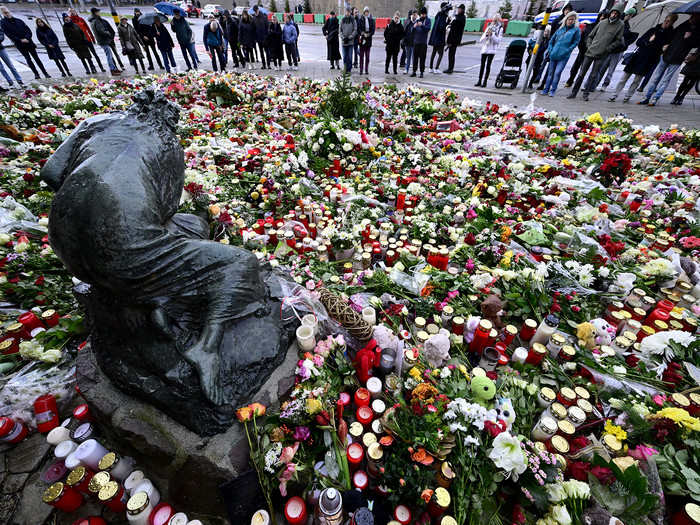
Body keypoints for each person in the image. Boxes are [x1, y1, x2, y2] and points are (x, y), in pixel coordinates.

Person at [608, 14, 675, 103]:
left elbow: (665, 48)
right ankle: (614, 95)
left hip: (649, 60)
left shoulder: (669, 35)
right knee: (624, 78)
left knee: (636, 81)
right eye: (666, 20)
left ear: (672, 23)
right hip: (638, 57)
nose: (666, 22)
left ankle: (628, 96)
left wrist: (664, 48)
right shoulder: (653, 30)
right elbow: (639, 42)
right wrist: (648, 41)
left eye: (669, 21)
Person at [566, 2, 624, 101]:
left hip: (602, 54)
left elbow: (618, 40)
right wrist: (589, 46)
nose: (613, 15)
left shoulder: (620, 25)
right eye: (613, 13)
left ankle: (586, 93)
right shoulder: (602, 23)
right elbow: (591, 36)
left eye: (616, 13)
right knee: (581, 74)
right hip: (591, 52)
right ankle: (574, 92)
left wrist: (608, 49)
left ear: (619, 14)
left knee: (593, 75)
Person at [639, 13, 700, 106]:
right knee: (655, 78)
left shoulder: (697, 30)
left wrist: (688, 38)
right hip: (666, 55)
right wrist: (664, 48)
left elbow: (695, 44)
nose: (692, 18)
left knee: (665, 80)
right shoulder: (683, 25)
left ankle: (655, 98)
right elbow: (670, 37)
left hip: (677, 58)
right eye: (692, 16)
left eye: (695, 17)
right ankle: (647, 97)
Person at [0, 7, 50, 80]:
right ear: (2, 14)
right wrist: (20, 40)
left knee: (37, 58)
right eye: (5, 13)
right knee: (28, 59)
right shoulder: (3, 23)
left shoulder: (18, 20)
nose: (7, 14)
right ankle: (36, 73)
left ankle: (45, 72)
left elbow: (28, 30)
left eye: (7, 12)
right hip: (20, 44)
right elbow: (8, 34)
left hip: (29, 42)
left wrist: (27, 38)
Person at [596, 7, 637, 91]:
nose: (627, 16)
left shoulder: (633, 25)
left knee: (611, 69)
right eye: (627, 15)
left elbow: (633, 37)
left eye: (630, 15)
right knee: (602, 67)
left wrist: (625, 43)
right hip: (610, 48)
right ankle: (595, 83)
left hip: (619, 50)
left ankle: (605, 84)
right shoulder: (619, 22)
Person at [541, 11, 580, 96]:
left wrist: (568, 50)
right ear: (566, 20)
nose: (571, 21)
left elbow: (576, 42)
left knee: (557, 73)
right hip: (554, 54)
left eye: (573, 19)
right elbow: (551, 40)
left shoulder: (576, 30)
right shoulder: (560, 29)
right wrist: (551, 50)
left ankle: (553, 90)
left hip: (563, 55)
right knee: (550, 73)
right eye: (569, 19)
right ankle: (546, 89)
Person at [565, 10, 606, 87]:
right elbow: (583, 38)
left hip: (593, 51)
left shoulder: (603, 28)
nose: (602, 18)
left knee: (584, 70)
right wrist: (581, 48)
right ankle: (570, 80)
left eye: (604, 16)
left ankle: (579, 84)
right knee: (576, 67)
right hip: (584, 50)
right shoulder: (591, 26)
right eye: (601, 16)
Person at [69, 7, 105, 72]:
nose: (72, 12)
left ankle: (101, 67)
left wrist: (92, 38)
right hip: (80, 42)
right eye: (71, 11)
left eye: (73, 11)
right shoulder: (71, 21)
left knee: (94, 53)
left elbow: (87, 29)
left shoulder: (81, 19)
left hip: (87, 39)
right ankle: (90, 68)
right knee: (85, 55)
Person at [89, 8, 121, 75]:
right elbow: (101, 31)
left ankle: (114, 68)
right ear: (95, 13)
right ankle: (112, 69)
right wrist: (108, 33)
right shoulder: (96, 21)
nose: (99, 13)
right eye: (98, 12)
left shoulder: (93, 21)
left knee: (109, 54)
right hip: (103, 41)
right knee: (109, 55)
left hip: (102, 40)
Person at [475, 17, 502, 87]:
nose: (494, 22)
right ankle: (479, 80)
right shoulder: (488, 28)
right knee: (482, 65)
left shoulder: (499, 29)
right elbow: (481, 40)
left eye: (495, 21)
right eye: (493, 21)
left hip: (492, 50)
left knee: (488, 66)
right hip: (485, 49)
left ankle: (485, 81)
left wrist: (492, 35)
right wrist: (487, 35)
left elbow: (497, 41)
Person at [0, 22, 23, 90]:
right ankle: (10, 81)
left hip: (1, 48)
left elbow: (1, 36)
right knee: (1, 68)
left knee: (10, 64)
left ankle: (19, 80)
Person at [429, 1, 450, 74]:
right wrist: (448, 22)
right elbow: (442, 27)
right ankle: (436, 68)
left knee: (434, 52)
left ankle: (431, 67)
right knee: (441, 53)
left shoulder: (438, 14)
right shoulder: (443, 16)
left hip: (435, 36)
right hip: (439, 38)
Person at [444, 3, 466, 74]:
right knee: (451, 54)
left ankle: (450, 69)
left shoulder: (461, 18)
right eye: (458, 9)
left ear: (462, 10)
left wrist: (453, 20)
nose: (458, 10)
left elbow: (455, 27)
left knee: (452, 54)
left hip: (455, 39)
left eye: (459, 9)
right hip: (453, 38)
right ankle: (450, 68)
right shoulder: (458, 17)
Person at [411, 7, 431, 78]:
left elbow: (427, 29)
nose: (422, 15)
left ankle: (422, 72)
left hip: (423, 43)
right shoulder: (418, 20)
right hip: (416, 42)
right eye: (422, 14)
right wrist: (414, 26)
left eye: (424, 14)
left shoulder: (428, 20)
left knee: (422, 58)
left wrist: (421, 25)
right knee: (415, 58)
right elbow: (412, 30)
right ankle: (414, 71)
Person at [358, 6, 375, 75]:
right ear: (364, 12)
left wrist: (368, 34)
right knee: (361, 56)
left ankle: (366, 69)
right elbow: (359, 29)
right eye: (365, 12)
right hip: (362, 39)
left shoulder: (371, 20)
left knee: (367, 56)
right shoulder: (361, 19)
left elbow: (372, 31)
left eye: (367, 12)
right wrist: (363, 33)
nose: (366, 13)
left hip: (368, 39)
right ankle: (361, 69)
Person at [340, 7, 357, 73]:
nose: (347, 13)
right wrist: (343, 38)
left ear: (350, 12)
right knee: (344, 57)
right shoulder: (342, 20)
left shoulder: (353, 21)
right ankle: (345, 69)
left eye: (348, 12)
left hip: (350, 42)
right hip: (344, 42)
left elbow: (355, 31)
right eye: (346, 12)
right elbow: (340, 30)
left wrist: (349, 37)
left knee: (350, 56)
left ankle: (349, 69)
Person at [402, 10, 417, 75]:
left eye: (414, 14)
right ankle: (406, 69)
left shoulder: (417, 23)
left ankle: (414, 70)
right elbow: (405, 32)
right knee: (408, 57)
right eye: (412, 14)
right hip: (408, 42)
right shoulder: (408, 22)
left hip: (414, 43)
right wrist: (404, 40)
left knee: (414, 58)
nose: (413, 16)